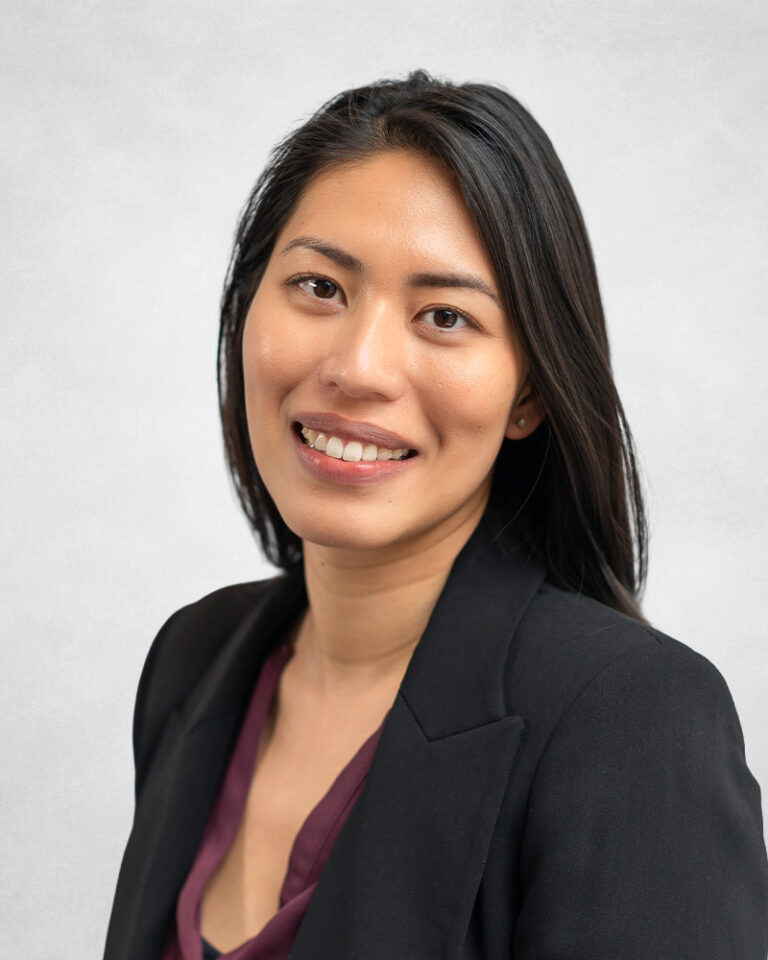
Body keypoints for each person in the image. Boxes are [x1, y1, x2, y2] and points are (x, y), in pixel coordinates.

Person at [102, 70, 768, 960]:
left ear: (529, 392)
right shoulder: (193, 660)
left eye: (445, 316)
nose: (360, 367)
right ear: (246, 306)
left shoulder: (630, 719)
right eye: (320, 288)